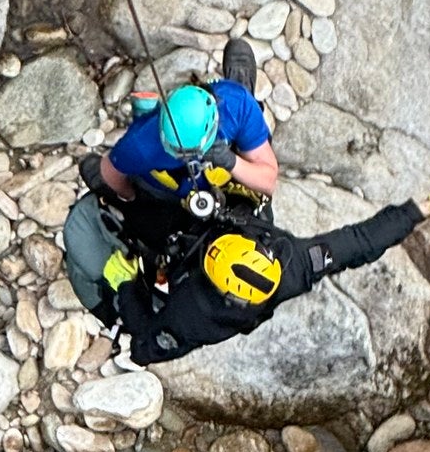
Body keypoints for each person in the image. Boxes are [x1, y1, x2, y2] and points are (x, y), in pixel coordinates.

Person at [109, 184, 430, 366]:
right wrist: (420, 209)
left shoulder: (190, 319)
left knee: (138, 222)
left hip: (171, 263)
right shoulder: (294, 264)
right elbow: (360, 241)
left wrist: (126, 286)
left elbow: (145, 347)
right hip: (221, 235)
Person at [62, 38, 276, 317]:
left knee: (243, 113)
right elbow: (111, 172)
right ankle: (245, 103)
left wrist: (231, 161)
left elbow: (267, 180)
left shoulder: (231, 107)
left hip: (210, 176)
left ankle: (245, 103)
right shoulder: (141, 142)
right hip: (180, 196)